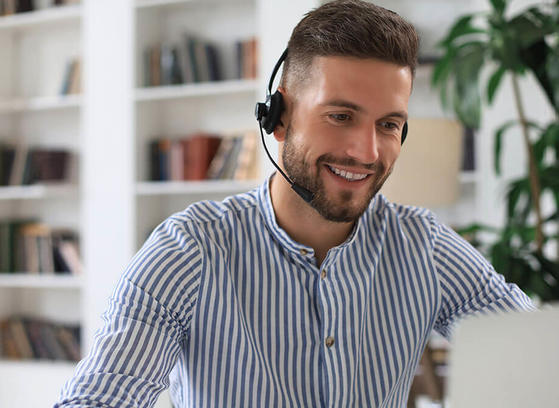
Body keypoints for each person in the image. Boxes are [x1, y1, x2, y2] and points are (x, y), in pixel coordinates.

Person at [55, 1, 534, 407]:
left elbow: (534, 359)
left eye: (388, 124)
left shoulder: (424, 248)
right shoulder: (190, 249)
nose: (366, 152)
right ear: (279, 116)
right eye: (340, 115)